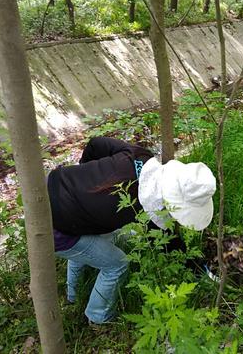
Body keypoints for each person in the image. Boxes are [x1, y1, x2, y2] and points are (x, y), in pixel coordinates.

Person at [46, 136, 216, 324]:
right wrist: (199, 269)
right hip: (54, 230)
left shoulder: (139, 156)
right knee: (117, 264)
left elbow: (96, 144)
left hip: (47, 187)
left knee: (91, 242)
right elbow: (169, 242)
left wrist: (84, 179)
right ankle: (98, 317)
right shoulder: (145, 207)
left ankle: (73, 295)